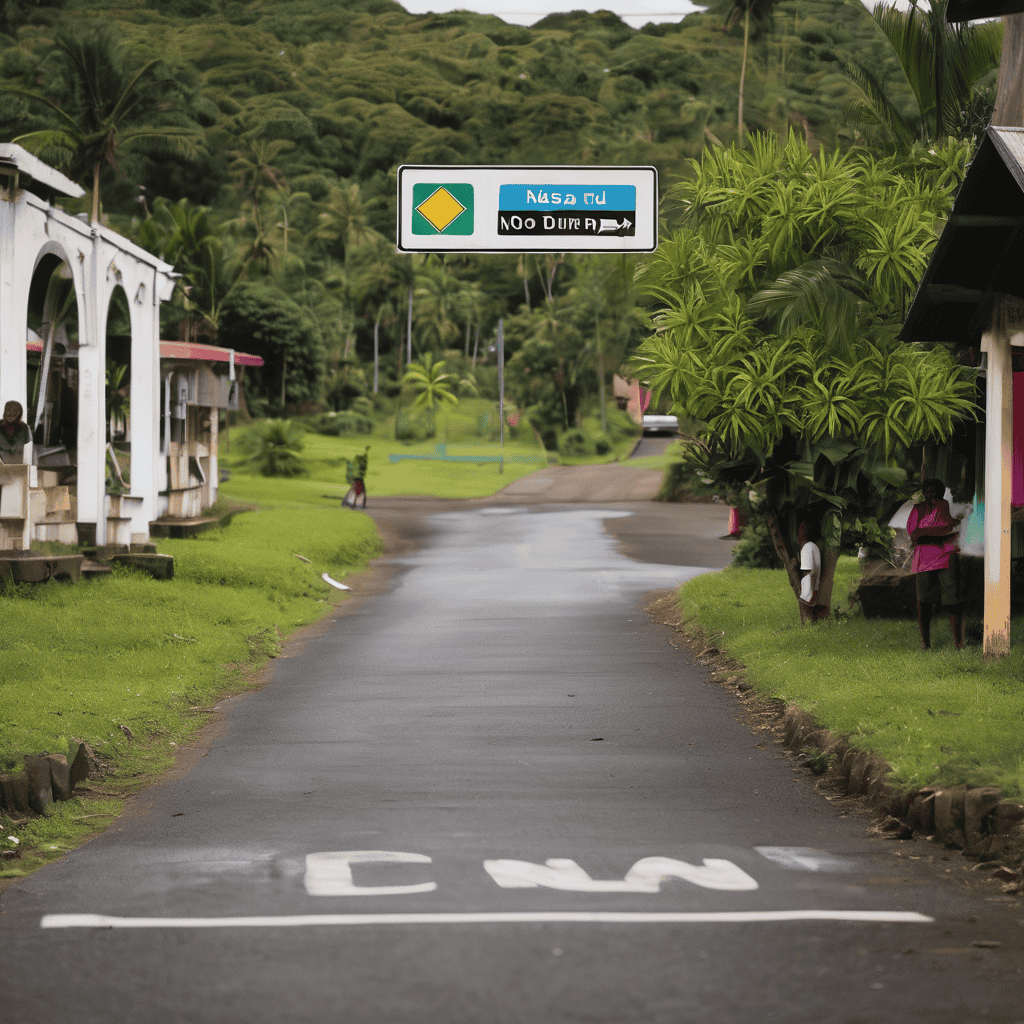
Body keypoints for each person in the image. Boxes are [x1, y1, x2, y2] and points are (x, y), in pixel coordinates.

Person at [907, 477, 963, 650]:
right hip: (924, 558)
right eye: (928, 492)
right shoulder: (917, 509)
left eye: (935, 492)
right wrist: (941, 533)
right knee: (923, 601)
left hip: (946, 556)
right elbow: (914, 535)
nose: (931, 495)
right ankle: (926, 643)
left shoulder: (947, 506)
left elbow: (952, 527)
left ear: (941, 492)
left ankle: (958, 643)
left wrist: (928, 533)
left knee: (953, 600)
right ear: (923, 493)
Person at [797, 520, 828, 622]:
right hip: (812, 590)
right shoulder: (813, 547)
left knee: (810, 620)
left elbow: (810, 572)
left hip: (808, 593)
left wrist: (809, 595)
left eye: (800, 531)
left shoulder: (807, 548)